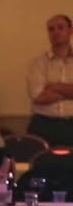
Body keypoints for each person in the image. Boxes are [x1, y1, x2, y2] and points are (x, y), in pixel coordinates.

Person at [27, 14, 73, 147]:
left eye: (60, 28)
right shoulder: (37, 63)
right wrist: (69, 91)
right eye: (51, 29)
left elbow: (45, 93)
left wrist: (54, 86)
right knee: (41, 164)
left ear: (71, 30)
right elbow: (38, 96)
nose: (55, 32)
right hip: (44, 125)